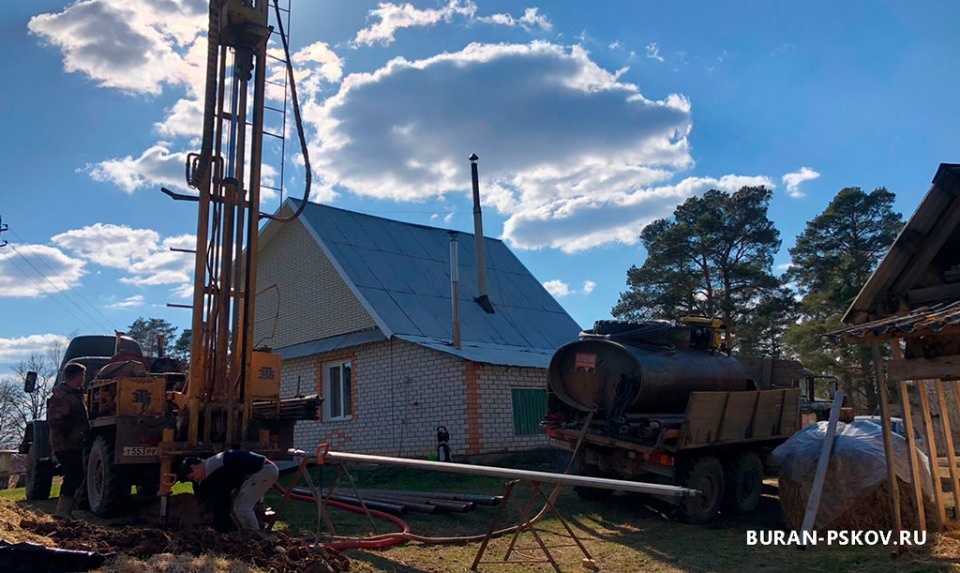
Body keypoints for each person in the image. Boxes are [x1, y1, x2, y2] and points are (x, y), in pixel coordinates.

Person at [177, 449, 279, 535]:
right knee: (235, 508)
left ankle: (255, 538)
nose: (196, 480)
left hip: (263, 471)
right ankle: (245, 536)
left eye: (193, 477)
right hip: (258, 472)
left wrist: (220, 530)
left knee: (242, 508)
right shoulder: (211, 465)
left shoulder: (214, 470)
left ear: (194, 467)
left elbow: (221, 500)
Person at [46, 362, 90, 519]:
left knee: (76, 475)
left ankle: (65, 511)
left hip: (73, 443)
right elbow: (55, 420)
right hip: (65, 444)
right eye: (83, 375)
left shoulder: (74, 395)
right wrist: (74, 432)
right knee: (74, 474)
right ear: (76, 376)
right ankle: (62, 512)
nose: (84, 378)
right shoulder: (63, 396)